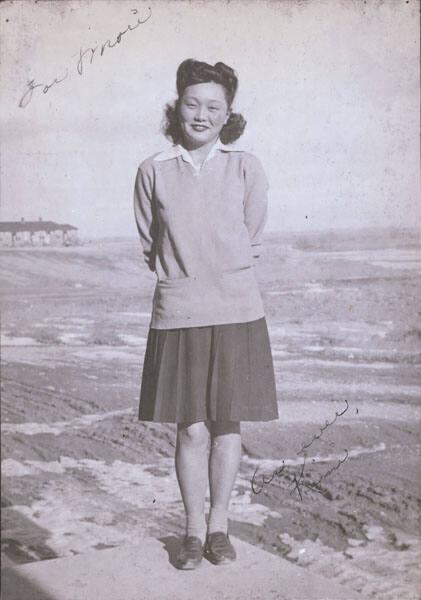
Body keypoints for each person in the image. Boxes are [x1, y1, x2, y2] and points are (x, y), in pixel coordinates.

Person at [133, 58, 279, 570]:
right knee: (191, 429)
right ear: (177, 108)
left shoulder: (246, 166)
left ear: (227, 115)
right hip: (179, 312)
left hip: (237, 311)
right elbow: (152, 242)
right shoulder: (153, 170)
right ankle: (192, 532)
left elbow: (252, 236)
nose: (201, 114)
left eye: (213, 106)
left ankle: (220, 527)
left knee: (226, 425)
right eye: (192, 103)